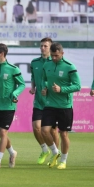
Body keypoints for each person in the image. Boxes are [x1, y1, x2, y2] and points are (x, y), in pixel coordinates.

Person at [0, 43, 25, 169]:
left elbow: (22, 84)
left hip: (8, 107)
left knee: (3, 132)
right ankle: (12, 152)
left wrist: (15, 93)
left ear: (1, 53)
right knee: (1, 134)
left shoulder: (13, 69)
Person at [41, 42, 81, 170]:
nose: (54, 58)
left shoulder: (70, 67)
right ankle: (55, 152)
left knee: (63, 134)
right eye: (52, 55)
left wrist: (62, 89)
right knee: (44, 131)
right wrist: (44, 87)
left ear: (62, 54)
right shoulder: (46, 65)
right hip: (50, 104)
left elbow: (77, 86)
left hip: (64, 105)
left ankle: (63, 161)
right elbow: (44, 79)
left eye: (56, 56)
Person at [29, 37, 59, 165]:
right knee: (36, 128)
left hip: (52, 102)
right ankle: (44, 150)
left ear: (50, 47)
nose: (42, 48)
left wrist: (48, 88)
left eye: (45, 46)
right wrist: (32, 87)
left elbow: (58, 80)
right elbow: (33, 76)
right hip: (39, 101)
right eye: (41, 46)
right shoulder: (35, 62)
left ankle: (55, 154)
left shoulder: (55, 63)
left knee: (52, 131)